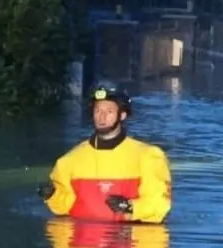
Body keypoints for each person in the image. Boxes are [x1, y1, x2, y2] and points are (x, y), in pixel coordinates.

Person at [37, 84, 172, 223]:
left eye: (109, 111)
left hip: (131, 233)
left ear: (122, 115)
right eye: (98, 111)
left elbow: (159, 205)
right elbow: (64, 208)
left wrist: (130, 207)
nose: (102, 117)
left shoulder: (148, 157)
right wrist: (52, 195)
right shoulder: (69, 160)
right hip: (81, 235)